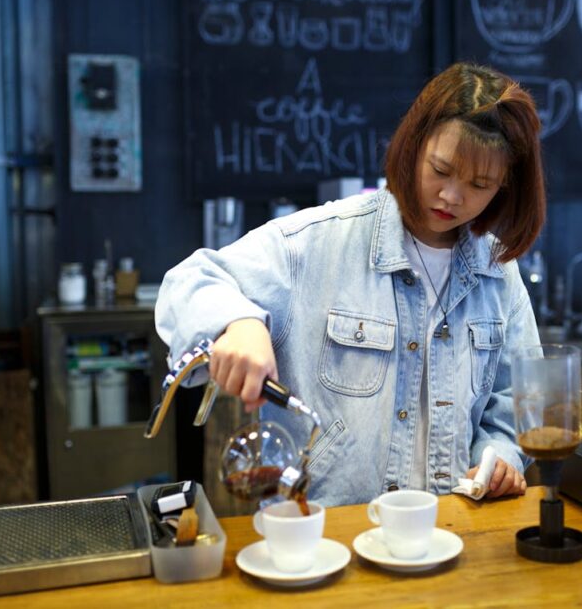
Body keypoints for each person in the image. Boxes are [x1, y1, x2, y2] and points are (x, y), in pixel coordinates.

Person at [156, 62, 546, 506]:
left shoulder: (498, 272)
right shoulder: (318, 242)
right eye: (440, 169)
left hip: (449, 535)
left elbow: (514, 401)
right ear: (413, 147)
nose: (452, 196)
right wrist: (238, 323)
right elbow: (190, 280)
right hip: (326, 539)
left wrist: (500, 458)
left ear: (504, 188)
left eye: (480, 184)